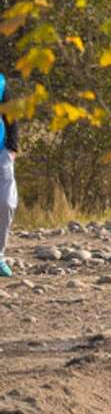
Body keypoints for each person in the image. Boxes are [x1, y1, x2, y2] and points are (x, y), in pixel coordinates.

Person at [0, 72, 16, 278]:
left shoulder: (1, 82)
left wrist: (12, 148)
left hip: (1, 152)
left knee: (6, 203)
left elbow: (10, 115)